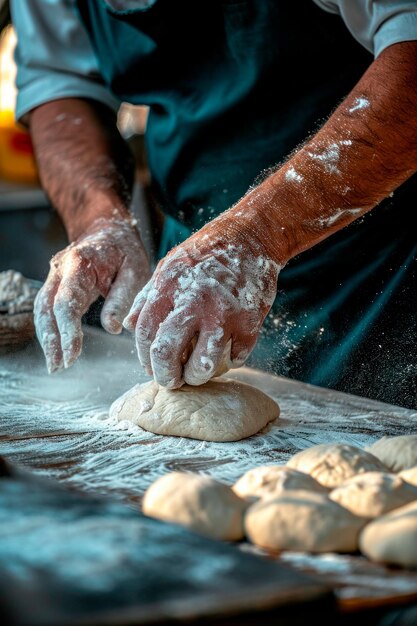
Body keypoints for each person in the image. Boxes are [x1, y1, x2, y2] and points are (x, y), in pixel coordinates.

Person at [10, 0, 417, 408]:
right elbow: (62, 88)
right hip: (194, 261)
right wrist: (99, 220)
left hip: (379, 264)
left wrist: (255, 235)